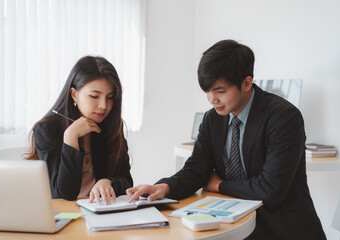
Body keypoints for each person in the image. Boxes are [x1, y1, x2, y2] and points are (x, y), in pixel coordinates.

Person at [127, 40, 326, 239]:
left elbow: (270, 189)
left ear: (246, 83)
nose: (212, 99)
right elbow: (196, 169)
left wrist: (218, 185)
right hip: (233, 224)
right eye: (207, 91)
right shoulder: (212, 119)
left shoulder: (284, 117)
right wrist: (165, 187)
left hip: (284, 230)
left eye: (220, 91)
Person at [26, 56, 133, 205]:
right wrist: (71, 137)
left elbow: (127, 181)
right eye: (94, 96)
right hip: (64, 213)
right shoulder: (46, 129)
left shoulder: (111, 125)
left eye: (110, 97)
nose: (103, 105)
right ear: (74, 94)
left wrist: (108, 182)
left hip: (101, 210)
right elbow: (64, 194)